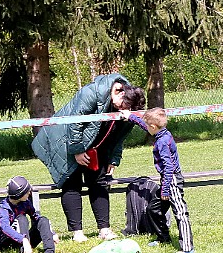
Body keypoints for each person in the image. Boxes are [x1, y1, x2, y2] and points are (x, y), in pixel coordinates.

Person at [31, 73, 145, 242]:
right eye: (124, 106)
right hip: (64, 141)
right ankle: (77, 233)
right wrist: (76, 151)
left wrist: (114, 158)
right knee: (71, 183)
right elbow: (74, 123)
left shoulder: (128, 101)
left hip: (95, 147)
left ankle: (104, 230)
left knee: (99, 182)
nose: (124, 111)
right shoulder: (91, 93)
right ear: (119, 92)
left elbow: (120, 134)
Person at [119, 108, 195, 253]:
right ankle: (163, 238)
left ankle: (187, 248)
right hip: (167, 180)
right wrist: (131, 117)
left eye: (148, 127)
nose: (146, 129)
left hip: (171, 180)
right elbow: (144, 124)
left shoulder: (162, 142)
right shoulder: (162, 133)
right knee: (153, 209)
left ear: (153, 127)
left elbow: (169, 167)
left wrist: (166, 189)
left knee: (180, 213)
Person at [0, 175, 62, 253]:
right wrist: (23, 240)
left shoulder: (25, 202)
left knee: (42, 220)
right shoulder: (3, 208)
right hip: (6, 242)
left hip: (23, 239)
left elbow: (36, 217)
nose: (29, 193)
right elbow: (5, 228)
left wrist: (52, 233)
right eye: (27, 192)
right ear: (19, 195)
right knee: (21, 218)